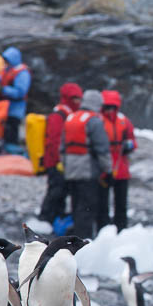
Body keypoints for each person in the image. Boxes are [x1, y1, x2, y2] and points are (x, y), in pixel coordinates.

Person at [61, 90, 112, 239]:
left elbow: (62, 147)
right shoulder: (94, 121)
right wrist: (108, 170)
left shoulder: (70, 118)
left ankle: (75, 237)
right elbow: (102, 148)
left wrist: (66, 167)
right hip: (87, 171)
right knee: (87, 207)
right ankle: (84, 240)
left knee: (76, 205)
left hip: (71, 171)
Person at [38, 82, 82, 223]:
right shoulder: (59, 115)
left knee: (61, 192)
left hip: (63, 162)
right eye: (74, 98)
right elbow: (54, 141)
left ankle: (55, 218)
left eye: (79, 98)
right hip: (56, 162)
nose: (77, 101)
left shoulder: (68, 114)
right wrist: (58, 161)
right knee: (55, 191)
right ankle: (46, 219)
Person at [98, 90, 136, 231]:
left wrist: (129, 145)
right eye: (107, 106)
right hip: (103, 170)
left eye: (113, 106)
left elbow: (133, 139)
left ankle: (121, 230)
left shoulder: (124, 121)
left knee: (121, 204)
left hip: (122, 169)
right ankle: (103, 230)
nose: (110, 110)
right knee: (102, 204)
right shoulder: (98, 120)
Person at [0, 47, 30, 145]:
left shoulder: (22, 73)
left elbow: (20, 92)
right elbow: (0, 80)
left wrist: (3, 90)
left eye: (7, 60)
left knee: (12, 135)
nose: (6, 62)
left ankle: (13, 153)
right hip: (4, 109)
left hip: (15, 110)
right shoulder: (7, 69)